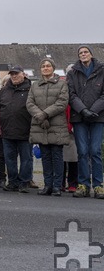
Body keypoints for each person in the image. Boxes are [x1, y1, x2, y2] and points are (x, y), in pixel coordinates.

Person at [26, 58, 70, 196]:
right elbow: (29, 103)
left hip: (56, 125)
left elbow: (62, 103)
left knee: (57, 156)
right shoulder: (34, 86)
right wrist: (40, 116)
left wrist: (44, 114)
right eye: (43, 66)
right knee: (45, 156)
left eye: (48, 66)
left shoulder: (62, 84)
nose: (45, 68)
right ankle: (47, 185)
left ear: (53, 68)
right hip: (41, 126)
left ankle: (57, 186)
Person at [66, 45, 104, 199]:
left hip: (98, 116)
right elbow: (71, 94)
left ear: (91, 54)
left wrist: (93, 110)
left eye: (85, 52)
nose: (83, 54)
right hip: (79, 117)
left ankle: (98, 185)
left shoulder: (102, 70)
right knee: (82, 152)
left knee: (95, 151)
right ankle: (83, 185)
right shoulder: (72, 73)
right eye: (80, 53)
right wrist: (83, 110)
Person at [0, 66, 33, 193]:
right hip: (7, 131)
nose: (14, 76)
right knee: (9, 159)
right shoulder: (4, 91)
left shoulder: (31, 89)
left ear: (23, 74)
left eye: (16, 74)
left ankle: (24, 182)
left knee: (26, 158)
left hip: (26, 130)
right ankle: (12, 181)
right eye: (12, 74)